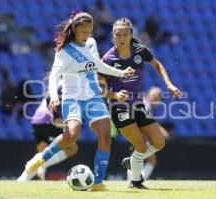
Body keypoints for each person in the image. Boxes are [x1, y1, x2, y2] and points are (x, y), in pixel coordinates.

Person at [16, 12, 134, 191]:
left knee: (105, 136)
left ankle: (97, 183)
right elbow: (54, 76)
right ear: (74, 30)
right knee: (72, 135)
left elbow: (97, 65)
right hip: (72, 98)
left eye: (89, 31)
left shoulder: (91, 43)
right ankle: (38, 160)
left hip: (93, 96)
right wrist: (55, 96)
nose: (87, 35)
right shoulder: (64, 50)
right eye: (83, 32)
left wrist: (121, 73)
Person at [98, 18, 181, 189]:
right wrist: (114, 95)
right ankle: (136, 182)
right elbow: (99, 89)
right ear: (113, 36)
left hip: (137, 104)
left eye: (125, 34)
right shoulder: (107, 59)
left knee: (159, 143)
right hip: (118, 107)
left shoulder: (139, 50)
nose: (121, 38)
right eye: (117, 34)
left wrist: (169, 84)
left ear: (131, 35)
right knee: (141, 147)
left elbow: (157, 65)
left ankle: (133, 160)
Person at [17, 91, 78, 181]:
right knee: (72, 147)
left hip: (36, 121)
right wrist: (74, 125)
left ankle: (22, 180)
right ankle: (36, 164)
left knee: (42, 153)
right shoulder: (62, 90)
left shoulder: (55, 88)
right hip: (47, 123)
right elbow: (57, 121)